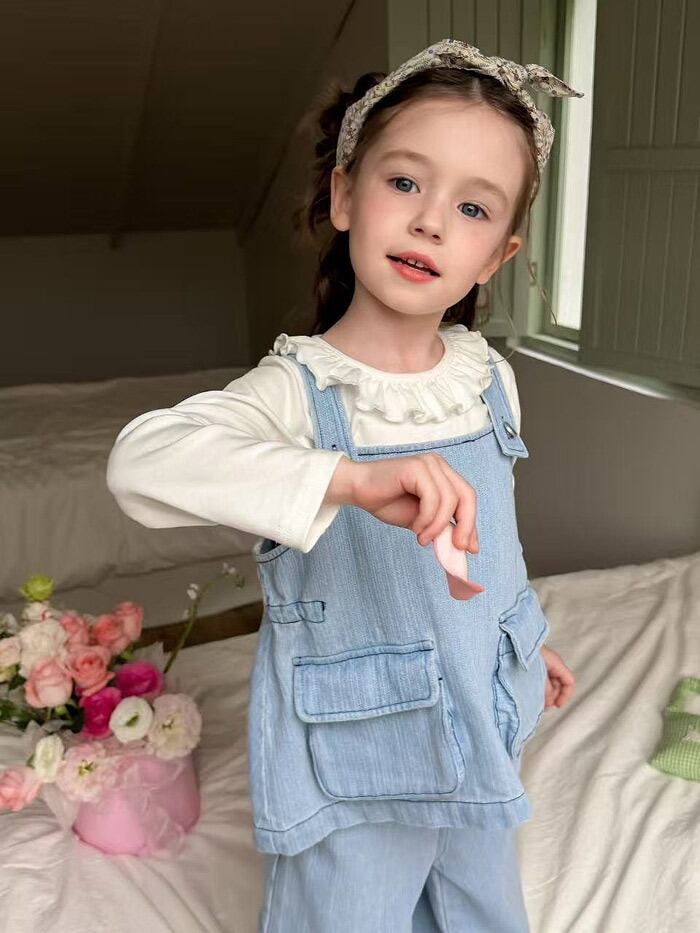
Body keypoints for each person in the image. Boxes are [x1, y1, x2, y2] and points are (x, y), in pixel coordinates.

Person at [106, 38, 580, 933]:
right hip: (362, 754)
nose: (431, 221)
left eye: (471, 207)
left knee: (485, 908)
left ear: (497, 254)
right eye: (405, 182)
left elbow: (496, 548)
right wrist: (349, 480)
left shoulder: (489, 378)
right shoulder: (299, 392)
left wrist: (526, 639)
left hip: (484, 719)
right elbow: (141, 462)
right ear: (344, 196)